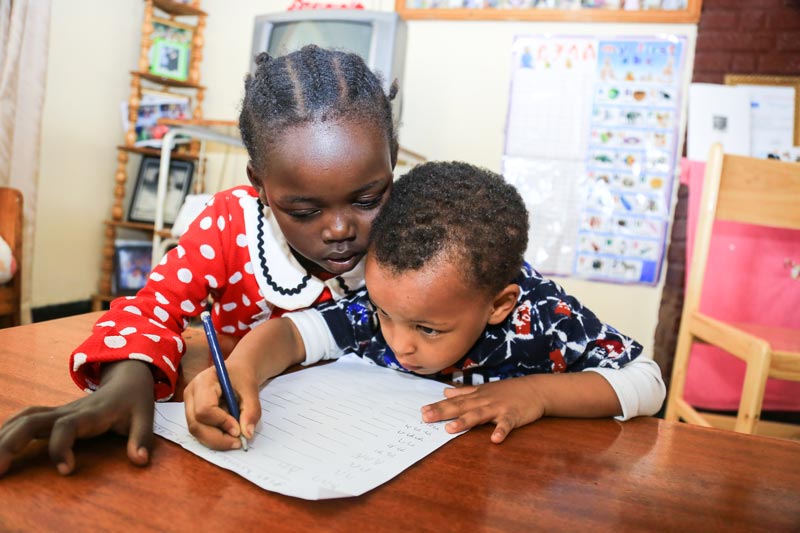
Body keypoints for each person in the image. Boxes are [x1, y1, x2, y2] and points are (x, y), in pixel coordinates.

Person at [0, 45, 398, 476]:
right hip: (248, 449)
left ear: (392, 160)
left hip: (375, 442)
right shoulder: (231, 227)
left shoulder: (413, 228)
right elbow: (152, 310)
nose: (339, 229)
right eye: (303, 211)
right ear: (260, 185)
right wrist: (124, 380)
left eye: (368, 198)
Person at [185, 161, 665, 450]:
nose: (399, 343)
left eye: (428, 330)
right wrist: (244, 368)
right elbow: (294, 334)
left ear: (498, 306)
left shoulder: (540, 316)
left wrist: (536, 395)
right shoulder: (386, 303)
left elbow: (648, 382)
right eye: (384, 315)